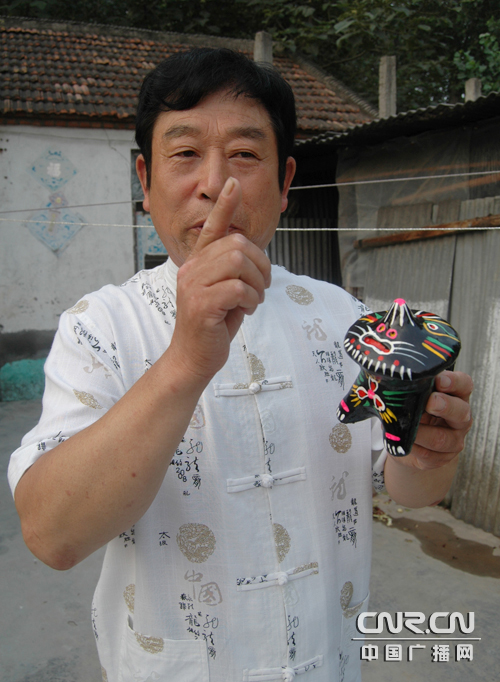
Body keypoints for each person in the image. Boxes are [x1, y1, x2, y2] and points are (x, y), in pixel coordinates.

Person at [8, 48, 473, 682]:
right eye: (184, 153)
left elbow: (410, 490)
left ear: (284, 184)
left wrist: (429, 452)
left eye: (246, 155)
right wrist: (185, 359)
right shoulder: (100, 326)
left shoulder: (343, 318)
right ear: (145, 181)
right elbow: (52, 536)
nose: (216, 184)